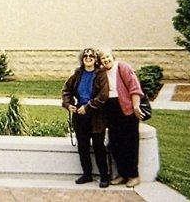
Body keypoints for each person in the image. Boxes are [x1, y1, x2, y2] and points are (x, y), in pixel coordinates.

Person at [62, 47, 110, 188]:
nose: (88, 58)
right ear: (82, 59)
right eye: (85, 56)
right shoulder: (77, 74)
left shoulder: (101, 74)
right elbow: (66, 90)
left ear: (95, 60)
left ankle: (104, 176)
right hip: (79, 116)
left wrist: (87, 107)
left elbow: (103, 96)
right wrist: (68, 104)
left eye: (91, 56)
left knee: (98, 146)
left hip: (96, 117)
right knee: (82, 147)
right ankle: (87, 174)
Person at [98, 49, 145, 188]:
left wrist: (136, 106)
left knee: (130, 143)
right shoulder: (102, 72)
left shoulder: (123, 67)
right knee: (115, 143)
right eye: (102, 58)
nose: (106, 60)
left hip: (126, 109)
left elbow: (134, 88)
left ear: (112, 56)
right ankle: (123, 174)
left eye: (107, 56)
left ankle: (134, 175)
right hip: (111, 109)